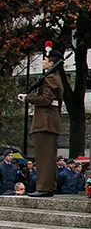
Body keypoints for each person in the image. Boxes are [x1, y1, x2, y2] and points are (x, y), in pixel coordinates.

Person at [18, 49, 64, 197]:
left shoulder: (50, 78)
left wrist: (28, 98)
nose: (43, 61)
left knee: (43, 157)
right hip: (49, 122)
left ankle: (44, 187)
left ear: (51, 63)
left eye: (45, 59)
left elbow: (46, 100)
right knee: (47, 157)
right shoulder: (54, 77)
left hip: (46, 122)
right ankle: (47, 187)